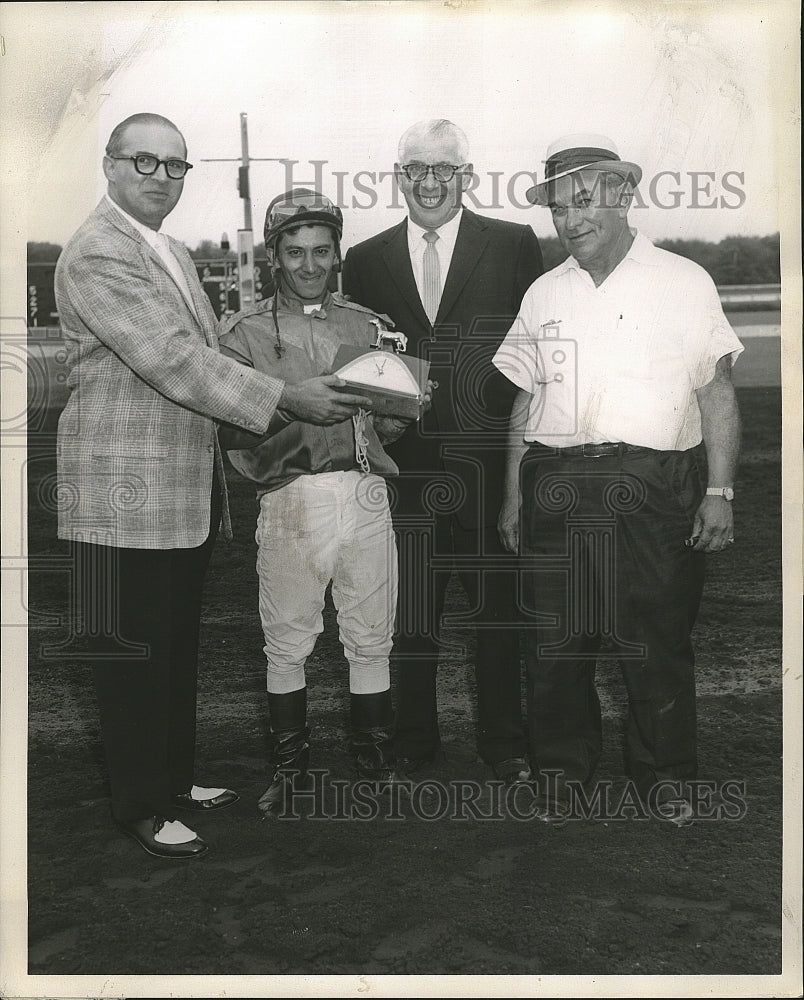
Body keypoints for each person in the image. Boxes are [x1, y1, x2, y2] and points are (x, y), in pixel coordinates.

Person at [54, 115, 372, 859]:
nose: (161, 176)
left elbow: (199, 352)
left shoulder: (164, 249)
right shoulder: (100, 250)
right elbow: (172, 359)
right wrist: (286, 397)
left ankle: (171, 780)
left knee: (171, 646)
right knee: (132, 653)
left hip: (175, 493)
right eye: (145, 161)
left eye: (175, 165)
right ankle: (141, 805)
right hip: (120, 494)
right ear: (110, 165)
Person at [493, 133, 743, 823]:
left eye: (583, 201)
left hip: (654, 484)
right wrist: (514, 495)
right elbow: (522, 397)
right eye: (558, 209)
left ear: (623, 195)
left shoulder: (684, 280)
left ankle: (665, 777)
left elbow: (717, 391)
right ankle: (561, 775)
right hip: (555, 482)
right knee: (552, 644)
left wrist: (719, 492)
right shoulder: (543, 293)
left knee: (657, 640)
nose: (570, 220)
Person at [342, 119, 544, 784]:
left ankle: (505, 743)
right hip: (407, 473)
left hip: (490, 467)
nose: (430, 181)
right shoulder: (366, 259)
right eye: (416, 169)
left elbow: (537, 357)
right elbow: (365, 363)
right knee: (411, 617)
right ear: (400, 177)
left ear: (468, 176)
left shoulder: (514, 245)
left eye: (444, 169)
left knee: (499, 616)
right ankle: (412, 740)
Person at [218, 189, 420, 816]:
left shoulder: (368, 325)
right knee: (287, 640)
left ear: (337, 254)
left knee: (371, 639)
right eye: (294, 251)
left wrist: (400, 407)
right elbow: (227, 428)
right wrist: (287, 401)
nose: (309, 264)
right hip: (289, 497)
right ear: (274, 255)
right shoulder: (242, 333)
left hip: (362, 490)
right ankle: (291, 772)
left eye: (321, 251)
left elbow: (394, 422)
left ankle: (376, 765)